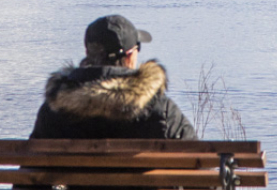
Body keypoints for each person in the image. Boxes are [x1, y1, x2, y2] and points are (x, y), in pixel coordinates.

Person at [30, 14, 195, 139]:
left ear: (88, 52)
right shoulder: (160, 109)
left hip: (75, 186)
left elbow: (31, 172)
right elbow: (198, 164)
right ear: (130, 55)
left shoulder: (55, 108)